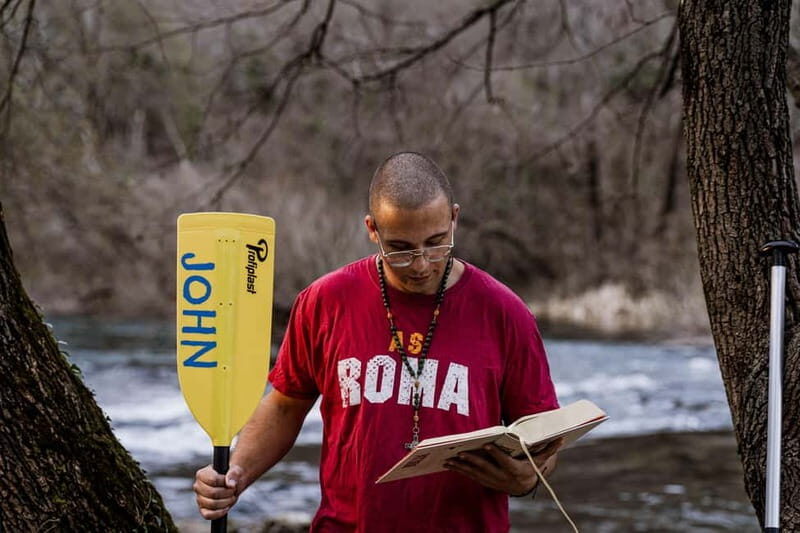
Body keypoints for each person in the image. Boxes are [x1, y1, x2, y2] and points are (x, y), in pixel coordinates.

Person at [193, 152, 560, 532]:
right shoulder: (325, 301)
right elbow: (286, 407)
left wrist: (527, 479)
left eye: (436, 243)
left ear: (454, 218)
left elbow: (544, 438)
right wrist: (234, 474)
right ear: (373, 229)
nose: (420, 264)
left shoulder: (505, 313)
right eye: (400, 248)